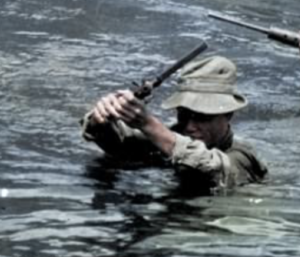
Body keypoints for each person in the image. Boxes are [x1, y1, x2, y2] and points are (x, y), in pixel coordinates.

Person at [81, 55, 267, 190]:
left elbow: (210, 167)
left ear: (228, 115)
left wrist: (148, 124)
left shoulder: (243, 158)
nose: (190, 126)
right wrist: (103, 117)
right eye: (184, 114)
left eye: (202, 117)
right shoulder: (172, 135)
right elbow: (121, 141)